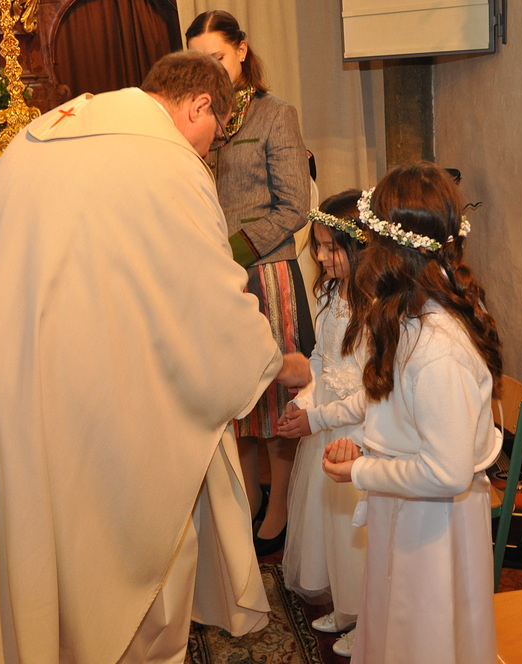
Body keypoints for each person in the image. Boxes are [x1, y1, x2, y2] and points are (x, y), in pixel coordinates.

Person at [0, 51, 311, 664]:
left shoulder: (43, 131)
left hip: (2, 372)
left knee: (34, 539)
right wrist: (280, 363)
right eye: (215, 137)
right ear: (200, 106)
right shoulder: (166, 159)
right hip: (90, 389)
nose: (209, 154)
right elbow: (207, 297)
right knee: (132, 540)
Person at [322, 162, 504, 664]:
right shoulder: (410, 316)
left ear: (390, 250)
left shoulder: (438, 348)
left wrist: (362, 471)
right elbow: (407, 412)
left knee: (422, 639)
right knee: (397, 632)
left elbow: (446, 473)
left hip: (433, 527)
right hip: (409, 508)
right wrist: (369, 442)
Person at [186, 10, 313, 556]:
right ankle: (252, 496)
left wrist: (233, 252)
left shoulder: (275, 114)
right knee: (237, 396)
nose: (209, 69)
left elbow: (295, 207)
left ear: (241, 50)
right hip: (215, 281)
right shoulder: (196, 118)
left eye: (217, 57)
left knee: (276, 396)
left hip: (266, 272)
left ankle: (279, 507)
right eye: (198, 60)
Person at [276, 190, 369, 658]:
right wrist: (305, 401)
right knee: (330, 524)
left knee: (358, 531)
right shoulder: (331, 293)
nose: (321, 256)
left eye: (332, 247)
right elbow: (320, 357)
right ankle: (347, 606)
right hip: (326, 421)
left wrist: (317, 418)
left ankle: (368, 617)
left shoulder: (377, 308)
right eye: (317, 245)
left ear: (360, 247)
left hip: (358, 431)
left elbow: (373, 393)